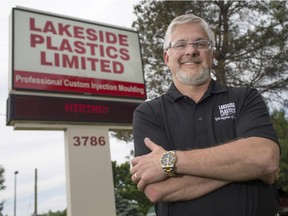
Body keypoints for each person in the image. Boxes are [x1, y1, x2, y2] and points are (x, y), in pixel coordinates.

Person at [130, 14, 280, 216]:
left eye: (200, 43)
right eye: (180, 45)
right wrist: (248, 168)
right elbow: (157, 190)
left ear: (212, 54)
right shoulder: (148, 113)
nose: (191, 51)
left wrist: (170, 160)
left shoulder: (244, 97)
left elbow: (265, 158)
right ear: (167, 57)